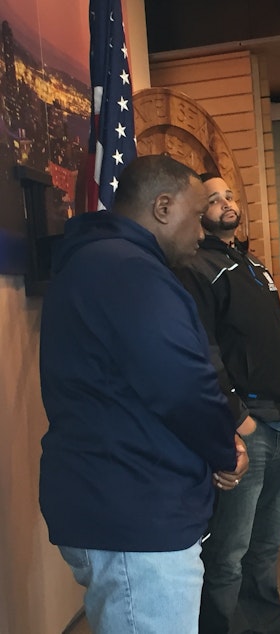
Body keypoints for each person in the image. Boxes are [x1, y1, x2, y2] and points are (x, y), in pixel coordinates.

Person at [39, 155, 248, 634]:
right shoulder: (127, 270)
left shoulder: (106, 262)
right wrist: (224, 449)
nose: (201, 232)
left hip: (124, 498)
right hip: (135, 509)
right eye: (196, 216)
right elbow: (182, 384)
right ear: (162, 207)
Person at [174, 174, 280, 634]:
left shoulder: (254, 266)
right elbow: (204, 352)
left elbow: (273, 338)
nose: (224, 204)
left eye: (229, 196)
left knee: (268, 541)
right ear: (199, 214)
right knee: (228, 550)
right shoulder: (195, 267)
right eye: (212, 200)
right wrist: (236, 418)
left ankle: (267, 621)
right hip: (246, 428)